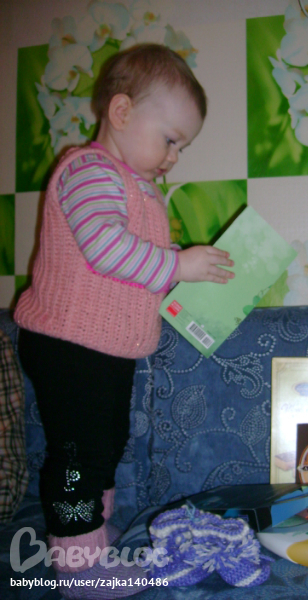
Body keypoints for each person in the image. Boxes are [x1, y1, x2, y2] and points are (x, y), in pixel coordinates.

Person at [14, 43, 234, 598]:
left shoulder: (135, 186)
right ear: (121, 112)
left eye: (182, 146)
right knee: (77, 454)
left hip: (102, 349)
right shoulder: (89, 170)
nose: (174, 156)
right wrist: (178, 264)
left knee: (105, 443)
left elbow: (135, 263)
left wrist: (181, 269)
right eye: (171, 139)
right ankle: (77, 565)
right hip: (67, 344)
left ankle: (88, 535)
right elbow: (104, 248)